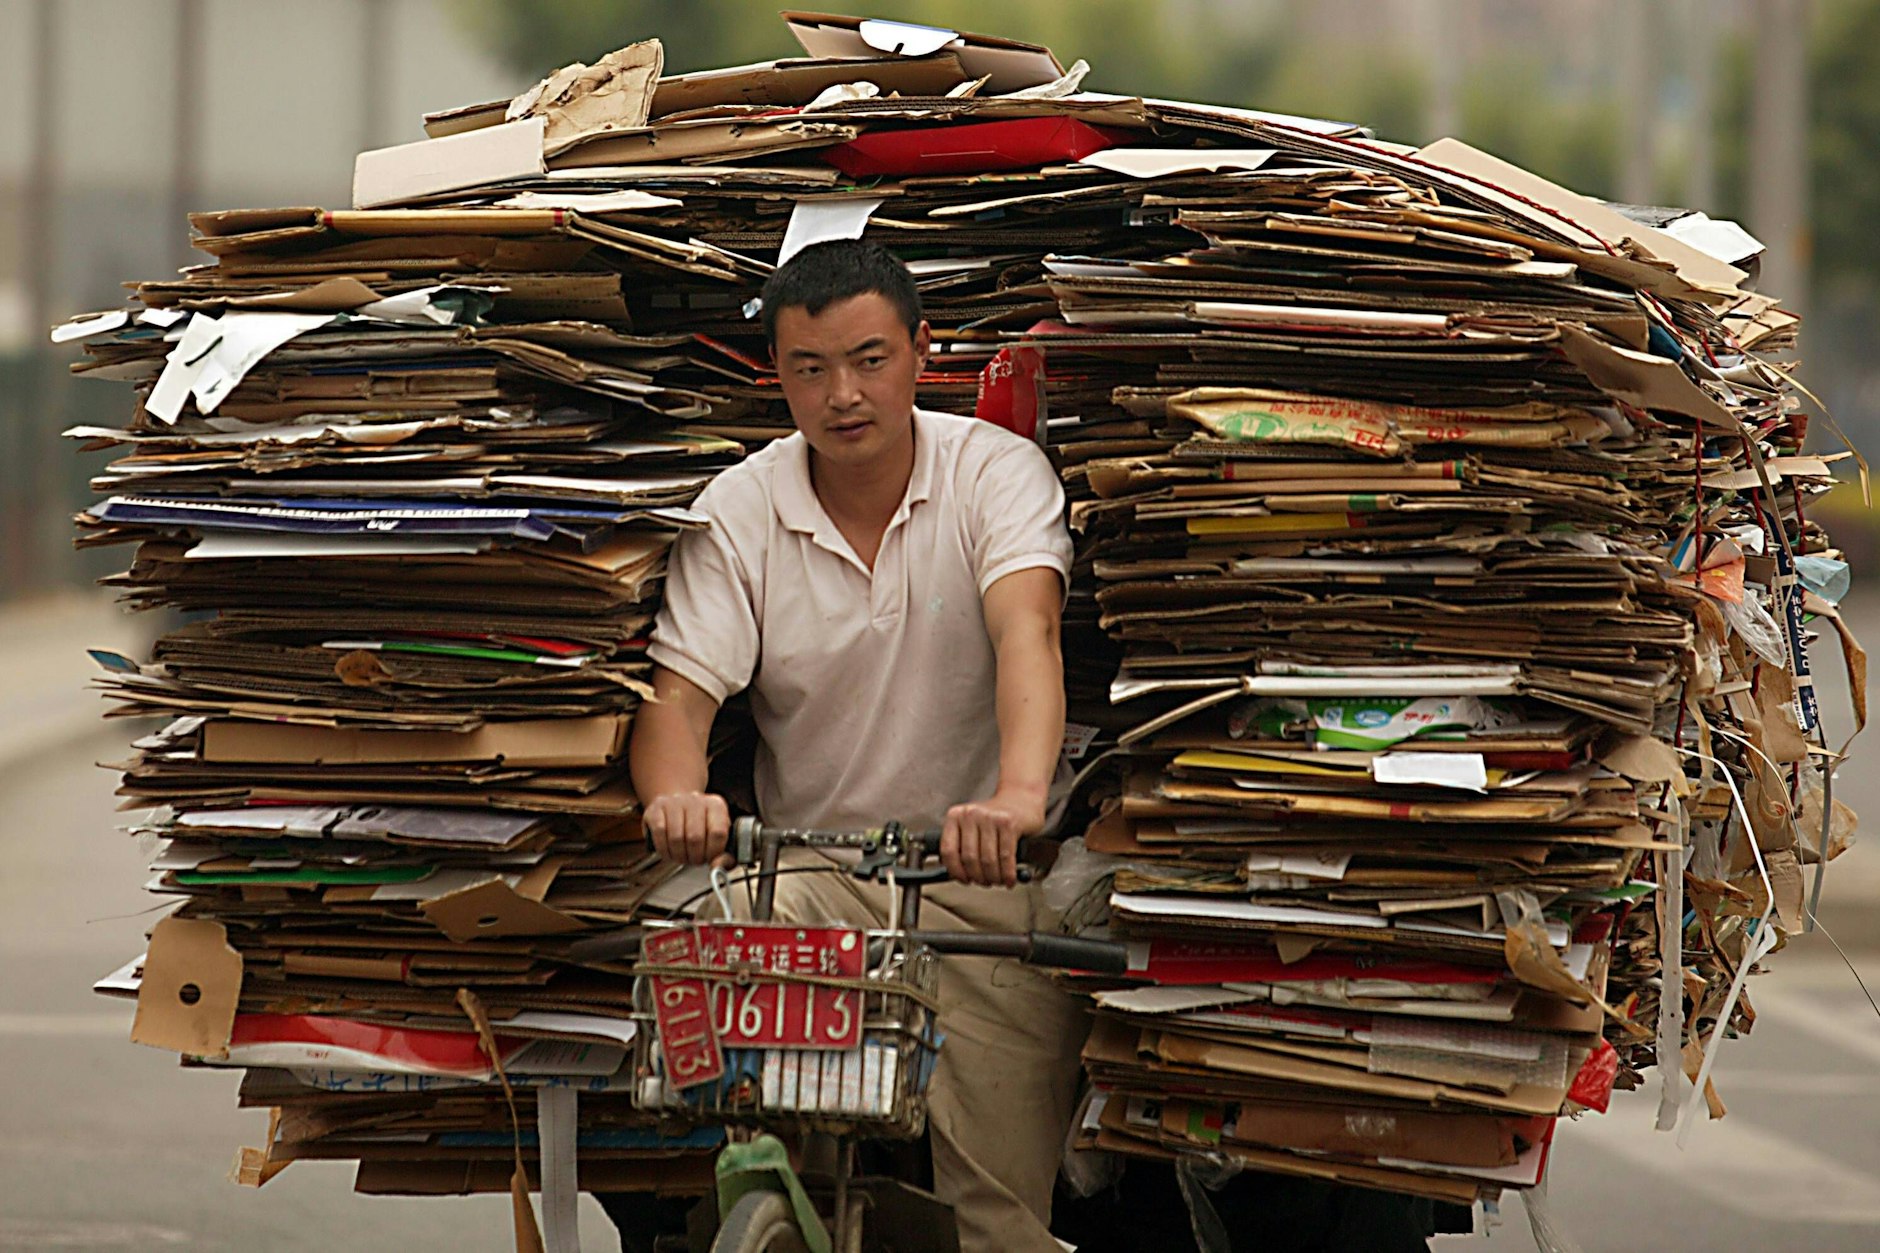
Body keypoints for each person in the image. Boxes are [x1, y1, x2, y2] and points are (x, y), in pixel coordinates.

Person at [616, 238, 1087, 1253]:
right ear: (775, 375)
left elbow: (1027, 632)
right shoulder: (740, 508)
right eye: (810, 368)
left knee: (998, 1219)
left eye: (870, 359)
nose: (843, 394)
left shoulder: (992, 475)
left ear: (922, 350)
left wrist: (1013, 797)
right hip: (810, 875)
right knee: (725, 1023)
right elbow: (676, 702)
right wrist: (675, 799)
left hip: (978, 886)